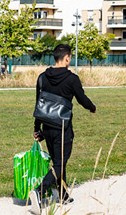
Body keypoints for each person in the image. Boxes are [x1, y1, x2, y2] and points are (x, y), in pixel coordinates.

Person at [29, 44, 97, 213]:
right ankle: (39, 191)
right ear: (66, 57)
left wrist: (38, 129)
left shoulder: (42, 77)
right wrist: (92, 107)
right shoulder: (71, 79)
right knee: (60, 162)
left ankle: (62, 194)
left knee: (58, 162)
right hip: (62, 128)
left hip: (47, 126)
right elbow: (81, 99)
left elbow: (39, 104)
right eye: (70, 57)